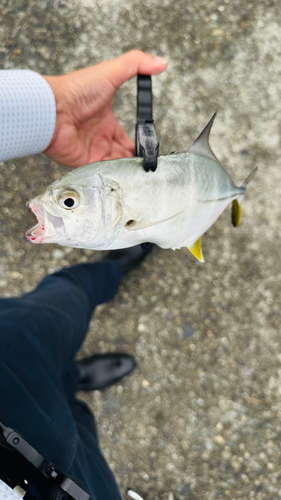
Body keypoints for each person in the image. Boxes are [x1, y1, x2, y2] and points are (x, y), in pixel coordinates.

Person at [0, 51, 168, 500]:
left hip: (3, 361)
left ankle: (106, 269)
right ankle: (71, 380)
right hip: (72, 490)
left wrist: (45, 110)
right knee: (79, 427)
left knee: (63, 300)